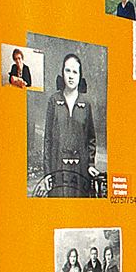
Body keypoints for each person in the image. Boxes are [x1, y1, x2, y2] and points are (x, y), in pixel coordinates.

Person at [42, 53, 98, 197]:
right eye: (68, 71)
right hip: (58, 167)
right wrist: (47, 173)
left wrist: (90, 164)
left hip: (80, 169)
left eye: (75, 72)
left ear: (80, 76)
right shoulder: (54, 101)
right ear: (62, 73)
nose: (71, 76)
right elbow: (48, 140)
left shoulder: (86, 104)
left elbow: (91, 139)